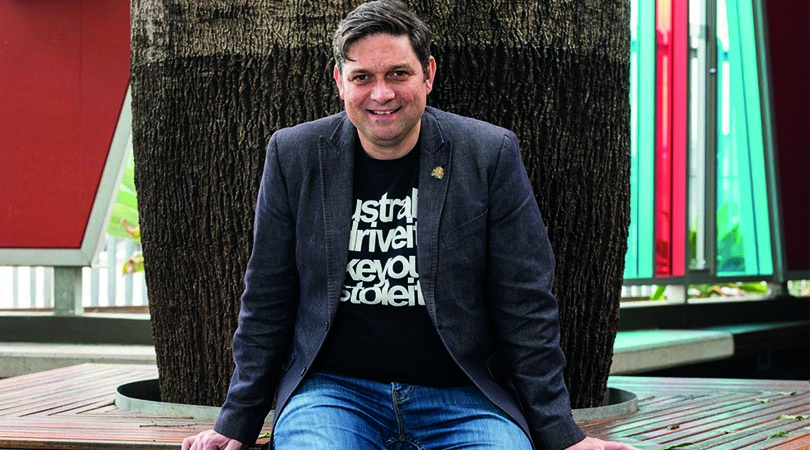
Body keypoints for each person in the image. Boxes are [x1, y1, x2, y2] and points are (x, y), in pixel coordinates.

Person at [183, 1, 636, 449]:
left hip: (463, 397)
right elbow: (267, 297)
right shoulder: (295, 155)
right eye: (363, 77)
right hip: (334, 397)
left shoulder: (487, 154)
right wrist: (236, 423)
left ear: (429, 74)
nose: (382, 94)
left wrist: (562, 434)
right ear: (340, 82)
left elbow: (526, 303)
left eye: (398, 73)